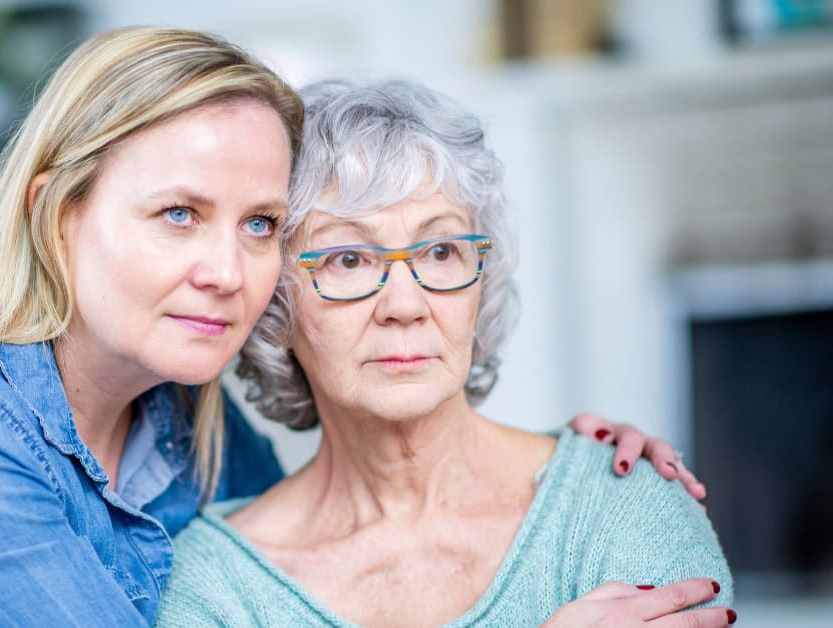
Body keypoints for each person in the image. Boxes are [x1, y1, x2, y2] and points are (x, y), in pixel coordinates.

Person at [0, 28, 707, 627]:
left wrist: (571, 463)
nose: (229, 271)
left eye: (261, 226)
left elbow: (297, 583)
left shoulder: (185, 424)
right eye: (178, 214)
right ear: (55, 212)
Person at [155, 80, 735, 627]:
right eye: (348, 260)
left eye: (439, 251)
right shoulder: (217, 585)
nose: (405, 304)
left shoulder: (623, 508)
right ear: (274, 306)